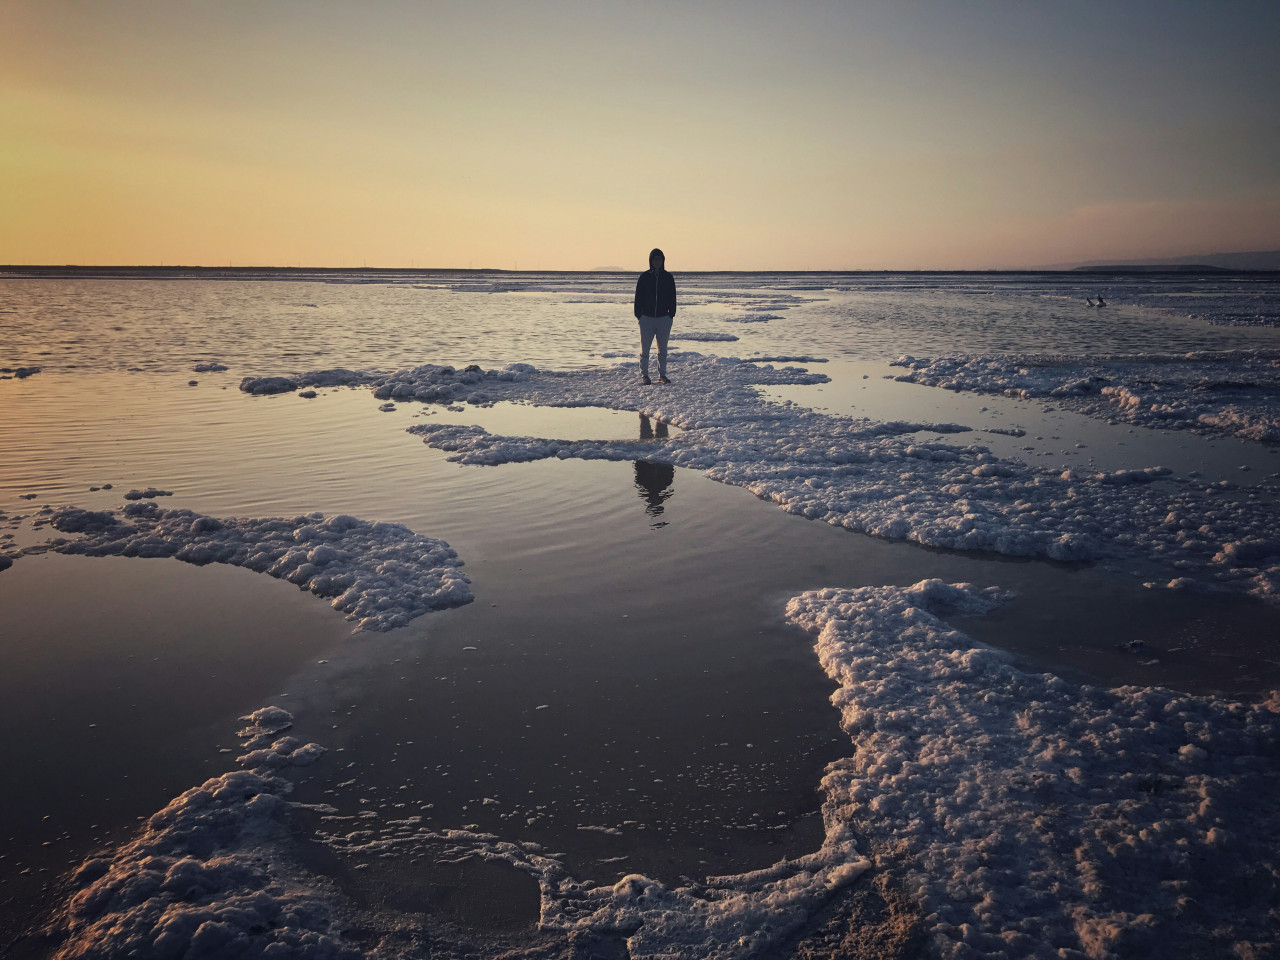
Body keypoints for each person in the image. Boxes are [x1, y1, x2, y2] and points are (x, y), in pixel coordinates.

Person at [634, 248, 677, 384]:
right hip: (646, 318)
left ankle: (662, 375)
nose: (657, 262)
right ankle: (645, 375)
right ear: (651, 261)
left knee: (662, 350)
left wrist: (672, 314)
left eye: (659, 259)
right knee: (645, 349)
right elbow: (638, 296)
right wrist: (639, 314)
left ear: (663, 261)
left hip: (664, 318)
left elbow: (673, 296)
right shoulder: (645, 277)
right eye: (655, 259)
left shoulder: (668, 277)